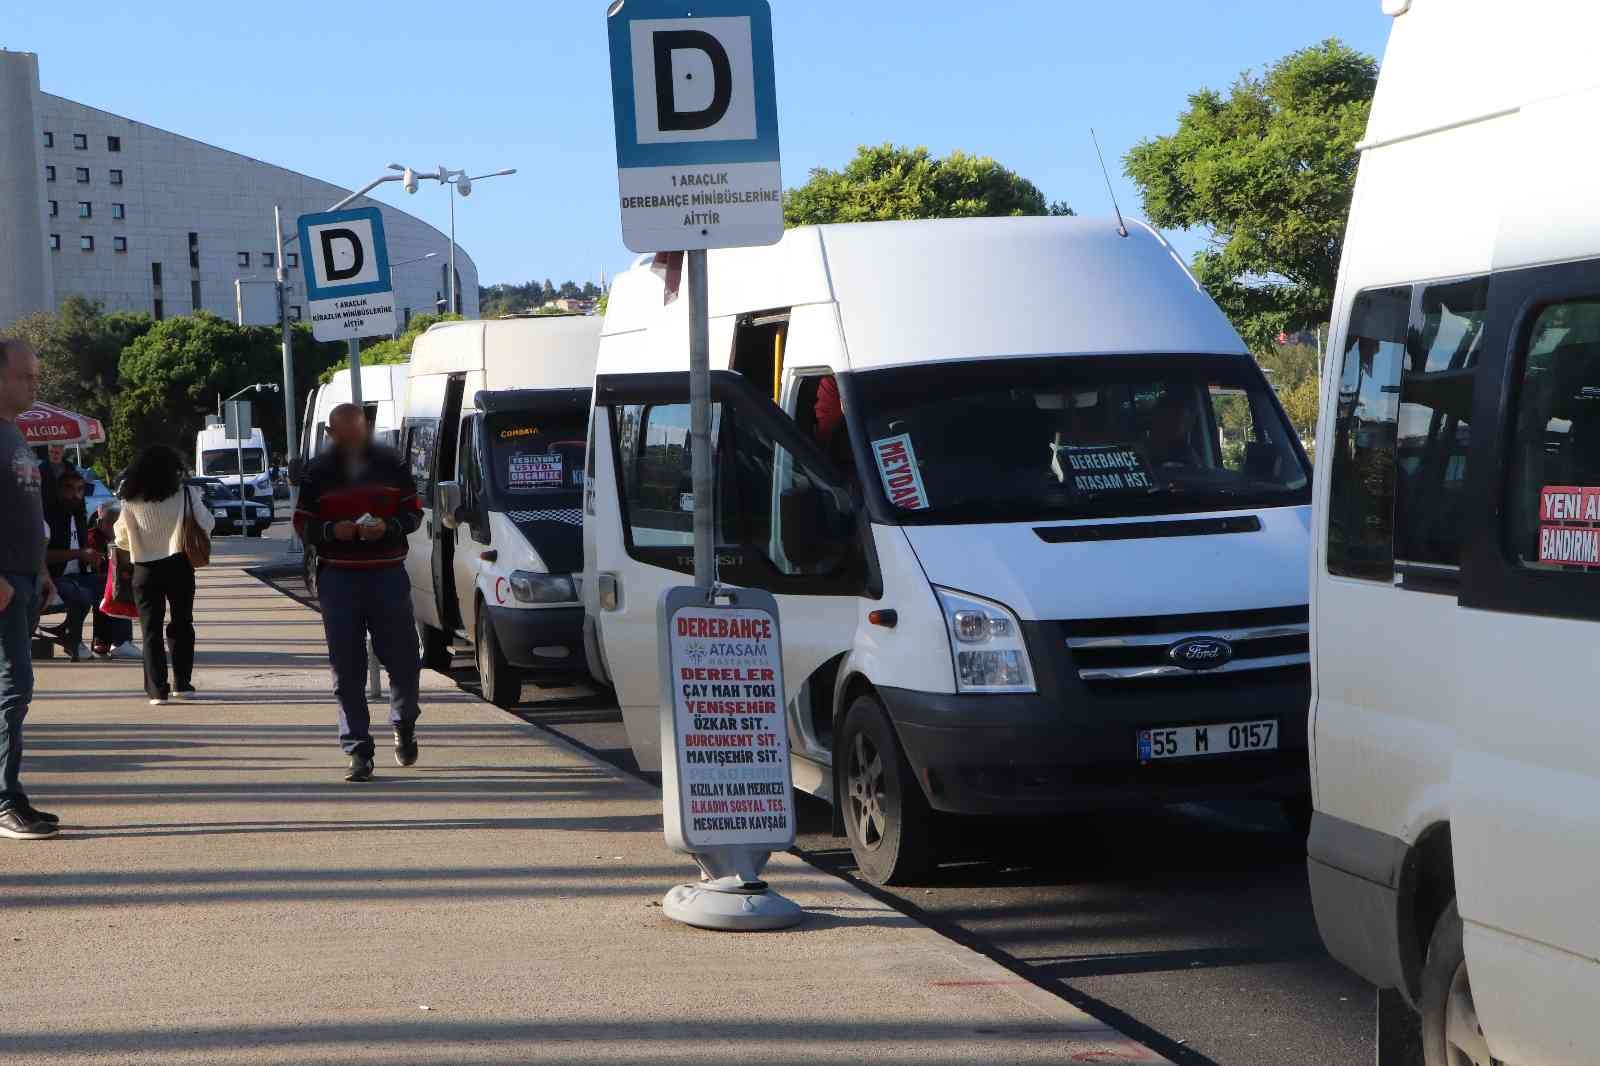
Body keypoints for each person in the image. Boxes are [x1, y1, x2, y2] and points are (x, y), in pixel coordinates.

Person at [294, 403, 424, 782]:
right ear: (332, 435)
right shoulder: (318, 472)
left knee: (402, 660)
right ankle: (358, 751)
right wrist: (335, 531)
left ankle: (404, 722)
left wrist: (388, 526)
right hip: (339, 578)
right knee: (346, 668)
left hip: (387, 575)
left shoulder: (393, 465)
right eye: (343, 435)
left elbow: (413, 514)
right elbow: (303, 523)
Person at [0, 338, 58, 840]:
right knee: (11, 687)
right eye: (26, 375)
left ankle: (10, 794)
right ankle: (4, 799)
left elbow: (26, 514)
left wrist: (39, 570)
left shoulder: (13, 433)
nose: (34, 383)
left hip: (22, 579)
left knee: (14, 689)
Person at [115, 445, 213, 705]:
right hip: (179, 565)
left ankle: (158, 690)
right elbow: (207, 523)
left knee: (150, 631)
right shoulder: (187, 494)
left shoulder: (129, 499)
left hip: (144, 570)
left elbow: (121, 538)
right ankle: (183, 683)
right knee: (182, 624)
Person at [44, 469, 101, 661]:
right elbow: (41, 556)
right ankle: (73, 641)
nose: (75, 494)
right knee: (82, 593)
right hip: (51, 577)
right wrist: (79, 553)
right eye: (69, 489)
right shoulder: (48, 516)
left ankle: (109, 641)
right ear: (59, 491)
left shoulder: (79, 514)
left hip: (79, 574)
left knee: (114, 584)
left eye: (80, 489)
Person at [87, 501, 136, 659]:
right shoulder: (93, 537)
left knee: (119, 582)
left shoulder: (123, 539)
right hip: (88, 579)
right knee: (117, 585)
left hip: (98, 580)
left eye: (119, 523)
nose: (116, 527)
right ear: (101, 522)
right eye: (112, 523)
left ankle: (108, 641)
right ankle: (120, 642)